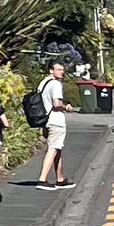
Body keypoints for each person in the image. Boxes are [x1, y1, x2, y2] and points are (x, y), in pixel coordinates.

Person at [38, 59, 69, 187]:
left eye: (62, 70)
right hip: (56, 121)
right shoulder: (56, 84)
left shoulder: (43, 83)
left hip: (45, 120)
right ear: (51, 70)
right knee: (52, 149)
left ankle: (60, 179)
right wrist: (66, 107)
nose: (62, 72)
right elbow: (56, 103)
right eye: (59, 69)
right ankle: (42, 180)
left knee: (58, 149)